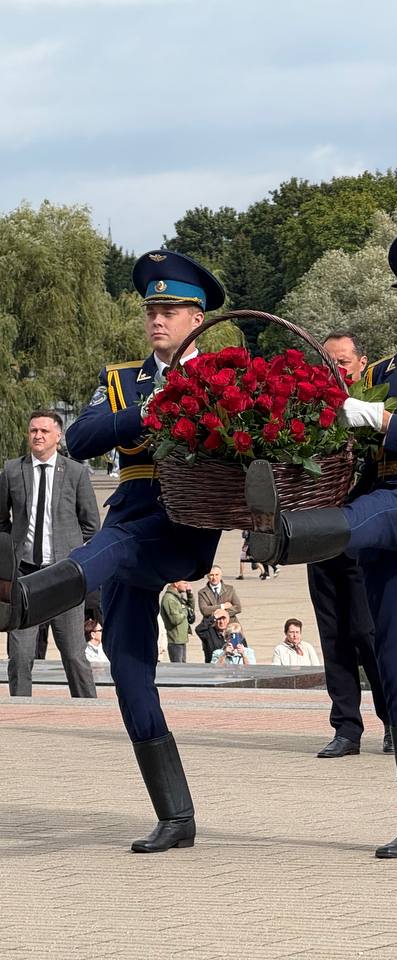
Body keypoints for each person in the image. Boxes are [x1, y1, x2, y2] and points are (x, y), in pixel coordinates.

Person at [244, 230, 397, 857]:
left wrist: (382, 419)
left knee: (367, 516)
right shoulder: (382, 372)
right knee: (393, 659)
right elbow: (353, 460)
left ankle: (287, 536)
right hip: (383, 520)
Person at [0, 249, 225, 852]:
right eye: (152, 309)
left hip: (183, 521)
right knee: (129, 671)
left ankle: (29, 597)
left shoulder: (224, 373)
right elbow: (85, 435)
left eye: (172, 309)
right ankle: (176, 815)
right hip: (132, 509)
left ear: (197, 319)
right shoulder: (123, 378)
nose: (158, 319)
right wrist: (146, 411)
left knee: (116, 543)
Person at [308, 331, 391, 759]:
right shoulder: (307, 411)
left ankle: (394, 719)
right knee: (333, 635)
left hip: (363, 538)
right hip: (318, 536)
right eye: (328, 362)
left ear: (361, 364)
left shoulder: (376, 410)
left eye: (342, 362)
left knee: (367, 632)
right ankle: (346, 727)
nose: (335, 370)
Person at [2, 410, 101, 698]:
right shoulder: (11, 471)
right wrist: (10, 555)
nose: (38, 435)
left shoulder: (76, 472)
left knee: (73, 655)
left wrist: (78, 565)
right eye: (33, 430)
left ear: (58, 436)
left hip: (63, 579)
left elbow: (92, 526)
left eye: (44, 431)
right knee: (20, 656)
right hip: (23, 577)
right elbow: (1, 521)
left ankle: (89, 710)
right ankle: (20, 711)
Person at [196, 567, 242, 663]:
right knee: (212, 658)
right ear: (208, 576)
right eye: (211, 575)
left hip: (230, 628)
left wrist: (224, 613)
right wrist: (222, 606)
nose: (214, 578)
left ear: (220, 576)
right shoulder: (202, 593)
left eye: (216, 575)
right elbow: (204, 610)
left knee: (234, 657)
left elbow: (238, 607)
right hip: (212, 630)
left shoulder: (230, 589)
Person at [159, 581, 196, 664]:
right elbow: (175, 619)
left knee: (183, 667)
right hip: (174, 639)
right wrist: (185, 611)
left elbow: (191, 609)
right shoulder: (169, 598)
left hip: (181, 638)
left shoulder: (178, 597)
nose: (186, 585)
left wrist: (189, 595)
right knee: (178, 667)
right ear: (176, 583)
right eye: (184, 583)